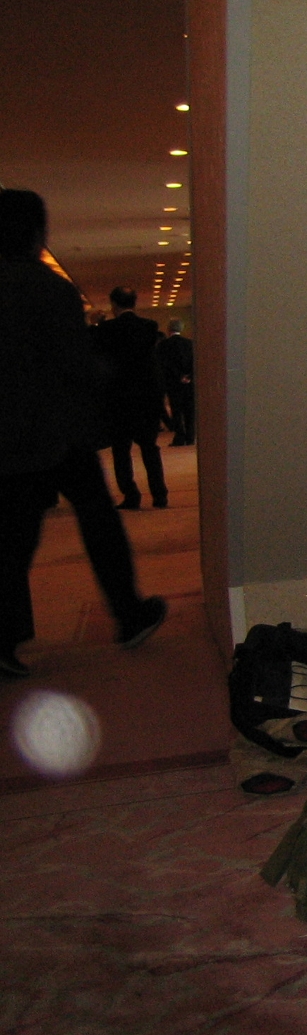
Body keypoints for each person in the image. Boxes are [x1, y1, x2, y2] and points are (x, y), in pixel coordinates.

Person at [0, 190, 166, 677]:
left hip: (8, 435)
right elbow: (74, 365)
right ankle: (128, 613)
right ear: (36, 233)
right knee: (98, 520)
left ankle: (4, 637)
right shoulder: (50, 289)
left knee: (14, 537)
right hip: (57, 430)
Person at [92, 285, 167, 510]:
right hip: (146, 397)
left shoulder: (107, 329)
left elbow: (94, 350)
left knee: (121, 451)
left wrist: (96, 324)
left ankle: (131, 494)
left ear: (113, 304)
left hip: (119, 399)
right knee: (149, 448)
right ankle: (159, 494)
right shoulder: (149, 326)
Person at [155, 318, 195, 445]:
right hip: (189, 382)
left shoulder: (163, 345)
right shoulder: (190, 343)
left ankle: (179, 437)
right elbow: (195, 361)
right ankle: (190, 436)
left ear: (169, 329)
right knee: (189, 410)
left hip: (172, 382)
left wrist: (178, 376)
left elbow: (164, 365)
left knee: (176, 410)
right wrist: (189, 376)